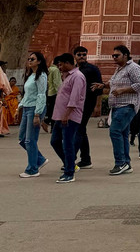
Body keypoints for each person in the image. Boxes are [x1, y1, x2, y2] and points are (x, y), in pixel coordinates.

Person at [104, 44, 140, 176]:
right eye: (113, 55)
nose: (114, 57)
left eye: (117, 55)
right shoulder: (119, 68)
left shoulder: (133, 68)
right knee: (122, 134)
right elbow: (113, 82)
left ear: (125, 55)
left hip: (127, 105)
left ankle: (120, 163)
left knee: (115, 131)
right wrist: (103, 85)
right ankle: (126, 163)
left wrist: (123, 90)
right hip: (117, 105)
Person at [50, 52, 85, 184]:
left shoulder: (77, 77)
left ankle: (69, 172)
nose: (59, 67)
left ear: (67, 63)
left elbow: (74, 98)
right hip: (60, 116)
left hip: (69, 116)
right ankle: (69, 163)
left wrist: (67, 114)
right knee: (55, 141)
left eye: (61, 64)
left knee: (68, 144)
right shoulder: (67, 77)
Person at [17, 51, 48, 178]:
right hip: (27, 108)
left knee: (30, 140)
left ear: (39, 61)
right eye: (29, 58)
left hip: (35, 109)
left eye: (33, 59)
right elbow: (28, 94)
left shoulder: (41, 76)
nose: (29, 61)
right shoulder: (31, 75)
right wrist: (19, 107)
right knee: (22, 138)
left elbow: (41, 95)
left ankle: (32, 169)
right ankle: (39, 159)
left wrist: (37, 114)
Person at [72, 46, 103, 170]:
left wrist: (98, 105)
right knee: (81, 130)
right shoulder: (74, 69)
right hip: (77, 104)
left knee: (79, 129)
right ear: (75, 56)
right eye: (79, 55)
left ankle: (71, 158)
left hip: (88, 102)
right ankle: (86, 159)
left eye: (84, 55)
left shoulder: (92, 69)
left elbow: (99, 88)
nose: (82, 57)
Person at [43, 54, 61, 133]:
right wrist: (59, 92)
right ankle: (52, 127)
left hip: (49, 92)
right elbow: (56, 82)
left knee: (51, 111)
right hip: (54, 93)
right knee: (55, 112)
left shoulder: (49, 69)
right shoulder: (56, 70)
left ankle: (48, 123)